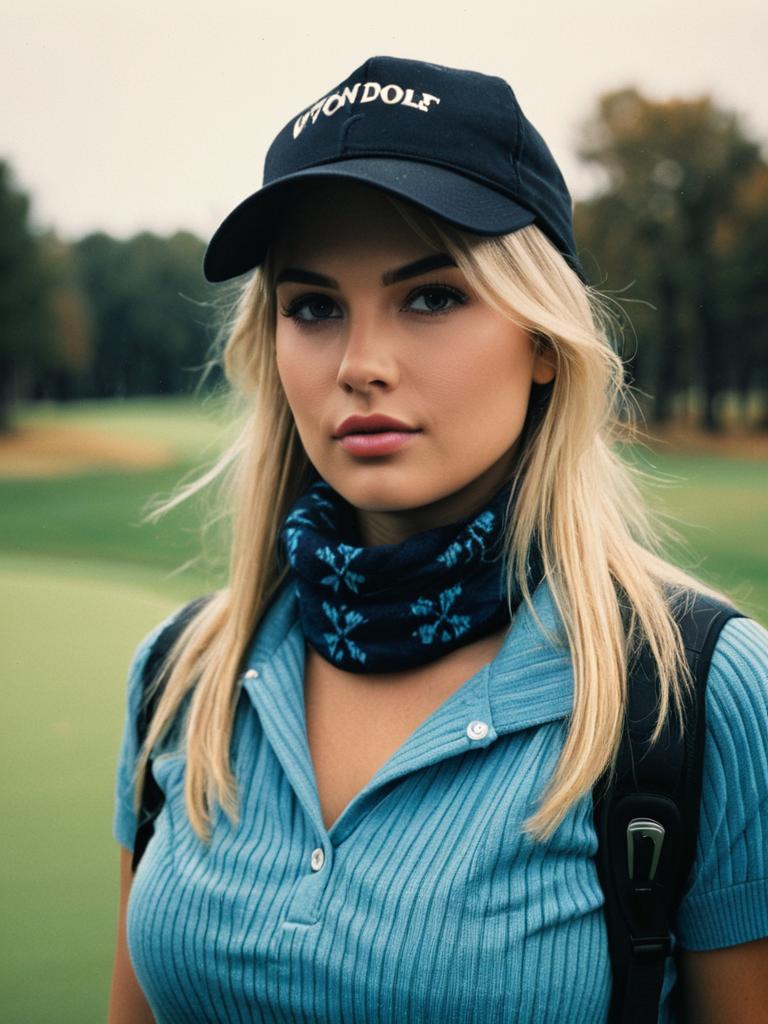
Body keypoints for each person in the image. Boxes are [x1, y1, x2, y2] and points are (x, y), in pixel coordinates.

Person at [108, 56, 768, 1023]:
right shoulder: (180, 676)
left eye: (432, 297)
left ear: (544, 338)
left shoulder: (699, 693)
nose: (360, 365)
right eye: (314, 307)